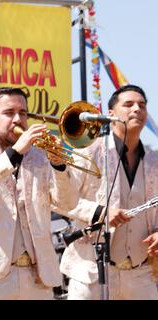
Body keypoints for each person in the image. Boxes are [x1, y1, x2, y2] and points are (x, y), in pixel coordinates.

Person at [0, 87, 79, 299]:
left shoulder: (41, 156)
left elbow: (67, 204)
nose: (18, 119)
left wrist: (59, 166)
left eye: (23, 113)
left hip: (38, 278)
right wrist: (15, 152)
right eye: (9, 113)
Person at [60, 84, 158, 300]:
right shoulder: (87, 152)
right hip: (91, 273)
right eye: (129, 104)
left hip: (141, 274)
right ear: (111, 114)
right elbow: (61, 200)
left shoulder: (155, 160)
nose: (137, 110)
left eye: (142, 105)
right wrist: (100, 213)